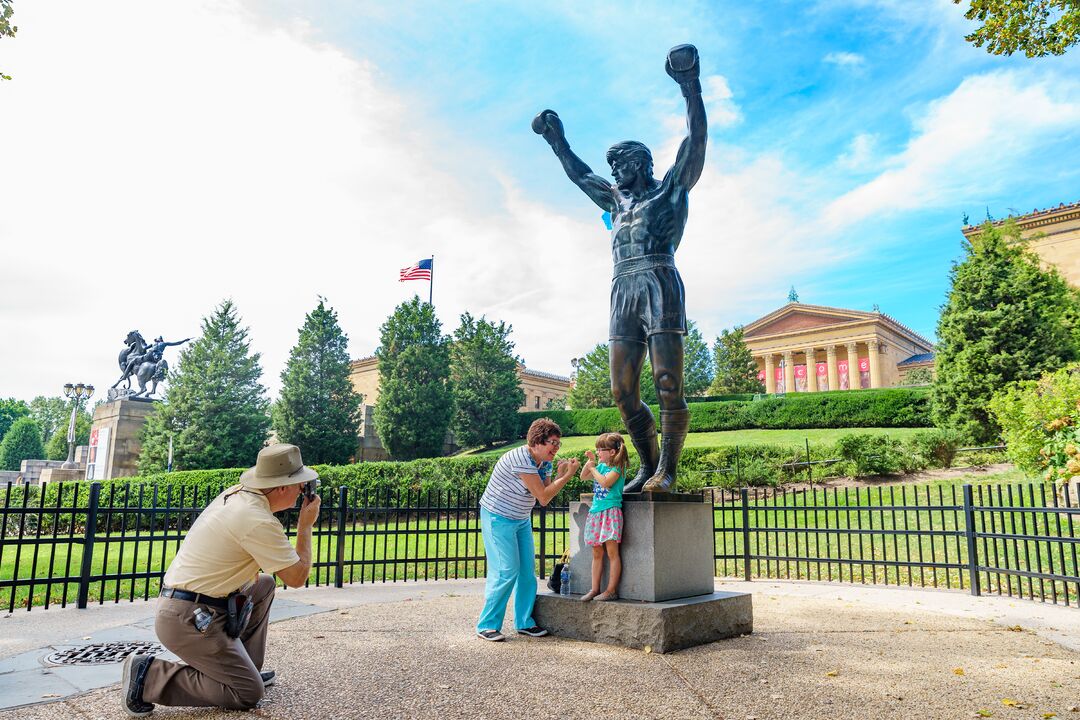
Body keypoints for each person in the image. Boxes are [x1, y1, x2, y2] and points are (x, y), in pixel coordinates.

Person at [532, 44, 707, 493]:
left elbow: (696, 142)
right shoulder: (615, 200)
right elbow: (579, 174)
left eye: (620, 162)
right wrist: (557, 141)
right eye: (611, 164)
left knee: (668, 382)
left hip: (658, 280)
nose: (613, 169)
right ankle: (647, 467)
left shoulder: (669, 190)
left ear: (641, 163)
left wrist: (690, 86)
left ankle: (667, 470)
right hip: (622, 288)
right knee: (622, 392)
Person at [120, 444, 321, 716]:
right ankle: (149, 676)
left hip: (190, 606)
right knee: (247, 693)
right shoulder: (256, 519)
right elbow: (297, 577)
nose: (303, 491)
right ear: (282, 487)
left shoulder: (237, 496)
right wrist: (305, 526)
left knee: (263, 585)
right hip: (188, 619)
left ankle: (242, 668)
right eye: (301, 485)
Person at [476, 418, 580, 642]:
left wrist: (560, 474)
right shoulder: (521, 459)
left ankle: (524, 622)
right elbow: (543, 498)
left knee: (526, 572)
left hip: (520, 518)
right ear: (536, 442)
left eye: (558, 443)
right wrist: (568, 476)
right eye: (552, 442)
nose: (556, 448)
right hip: (498, 517)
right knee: (506, 570)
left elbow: (546, 490)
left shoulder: (545, 461)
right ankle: (487, 624)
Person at [579, 432, 627, 602]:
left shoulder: (617, 468)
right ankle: (594, 589)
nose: (598, 452)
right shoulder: (600, 467)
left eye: (601, 449)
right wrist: (590, 463)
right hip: (596, 512)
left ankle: (611, 590)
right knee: (597, 552)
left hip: (610, 512)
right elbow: (583, 476)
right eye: (597, 449)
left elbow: (606, 482)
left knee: (612, 552)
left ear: (612, 452)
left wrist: (593, 467)